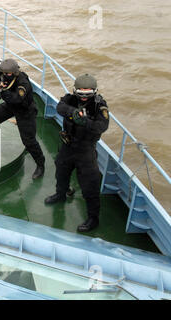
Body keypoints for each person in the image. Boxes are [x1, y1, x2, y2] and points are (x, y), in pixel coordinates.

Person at [44, 74, 109, 232]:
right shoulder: (70, 99)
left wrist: (85, 121)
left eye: (88, 93)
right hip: (68, 145)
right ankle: (61, 194)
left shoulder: (99, 106)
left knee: (90, 185)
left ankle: (93, 218)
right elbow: (60, 107)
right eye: (81, 93)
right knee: (61, 172)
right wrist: (73, 113)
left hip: (86, 150)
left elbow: (102, 126)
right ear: (75, 91)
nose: (84, 97)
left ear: (94, 92)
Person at [0, 59, 45, 179]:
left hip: (25, 110)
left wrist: (2, 90)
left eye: (8, 73)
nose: (5, 75)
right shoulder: (4, 73)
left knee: (29, 141)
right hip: (10, 106)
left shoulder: (23, 82)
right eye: (4, 73)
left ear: (14, 72)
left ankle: (41, 164)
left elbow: (17, 99)